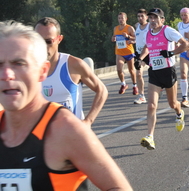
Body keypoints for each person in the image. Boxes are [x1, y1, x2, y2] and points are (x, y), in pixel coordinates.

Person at [0, 21, 132, 190]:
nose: (7, 74)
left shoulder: (67, 129)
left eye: (19, 64)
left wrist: (88, 122)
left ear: (42, 71)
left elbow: (101, 90)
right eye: (0, 65)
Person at [35, 17, 108, 126]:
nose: (43, 46)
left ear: (59, 39)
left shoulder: (73, 65)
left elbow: (102, 90)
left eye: (48, 41)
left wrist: (88, 121)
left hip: (72, 138)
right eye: (39, 40)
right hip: (43, 139)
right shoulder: (28, 68)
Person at [135, 8, 189, 150]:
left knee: (172, 103)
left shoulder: (167, 31)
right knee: (151, 105)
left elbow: (185, 45)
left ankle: (179, 112)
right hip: (154, 73)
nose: (152, 21)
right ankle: (150, 137)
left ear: (162, 20)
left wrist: (171, 52)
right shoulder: (148, 33)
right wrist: (139, 58)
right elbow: (147, 46)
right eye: (151, 18)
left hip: (168, 72)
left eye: (156, 18)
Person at [111, 12, 139, 95]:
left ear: (126, 19)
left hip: (129, 52)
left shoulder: (130, 28)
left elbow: (136, 38)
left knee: (131, 70)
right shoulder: (115, 28)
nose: (120, 20)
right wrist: (113, 39)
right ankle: (123, 84)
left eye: (122, 18)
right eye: (119, 18)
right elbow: (113, 38)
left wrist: (128, 36)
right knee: (119, 69)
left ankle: (134, 85)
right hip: (119, 52)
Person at [177, 7, 189, 108]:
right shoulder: (179, 25)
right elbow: (178, 38)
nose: (183, 17)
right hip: (184, 52)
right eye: (182, 15)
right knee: (183, 73)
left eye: (185, 15)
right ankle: (185, 98)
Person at [133, 9, 150, 104]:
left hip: (150, 53)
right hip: (139, 54)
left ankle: (160, 88)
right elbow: (137, 38)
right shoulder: (137, 26)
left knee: (156, 73)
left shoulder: (150, 26)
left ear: (146, 17)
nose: (140, 18)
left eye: (142, 16)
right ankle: (141, 95)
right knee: (139, 74)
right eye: (138, 16)